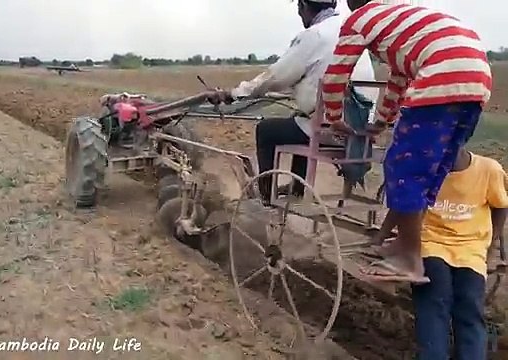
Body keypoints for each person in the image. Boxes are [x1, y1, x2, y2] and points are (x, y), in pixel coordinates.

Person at [321, 0, 493, 282]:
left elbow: (337, 73)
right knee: (432, 168)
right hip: (478, 80)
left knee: (402, 168)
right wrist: (382, 121)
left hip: (441, 75)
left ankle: (410, 259)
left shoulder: (359, 19)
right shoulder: (401, 20)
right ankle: (400, 241)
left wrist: (334, 116)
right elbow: (398, 81)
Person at [210, 0, 379, 204]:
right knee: (300, 120)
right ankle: (297, 188)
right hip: (360, 128)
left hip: (332, 127)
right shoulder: (350, 30)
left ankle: (266, 198)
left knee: (266, 130)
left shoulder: (314, 35)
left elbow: (275, 77)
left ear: (303, 7)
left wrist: (233, 93)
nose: (300, 15)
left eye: (299, 9)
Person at [407, 147, 508, 360]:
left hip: (471, 248)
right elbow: (409, 209)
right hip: (432, 243)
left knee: (470, 304)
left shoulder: (489, 170)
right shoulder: (426, 169)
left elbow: (500, 206)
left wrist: (490, 246)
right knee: (434, 300)